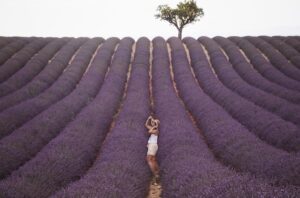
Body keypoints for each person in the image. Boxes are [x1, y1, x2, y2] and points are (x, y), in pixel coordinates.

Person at [145, 115, 160, 185]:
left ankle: (155, 175)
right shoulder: (154, 129)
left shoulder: (156, 130)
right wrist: (149, 118)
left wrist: (155, 125)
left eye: (154, 122)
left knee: (148, 160)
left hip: (152, 146)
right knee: (153, 160)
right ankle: (158, 172)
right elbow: (146, 124)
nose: (153, 122)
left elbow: (149, 131)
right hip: (153, 146)